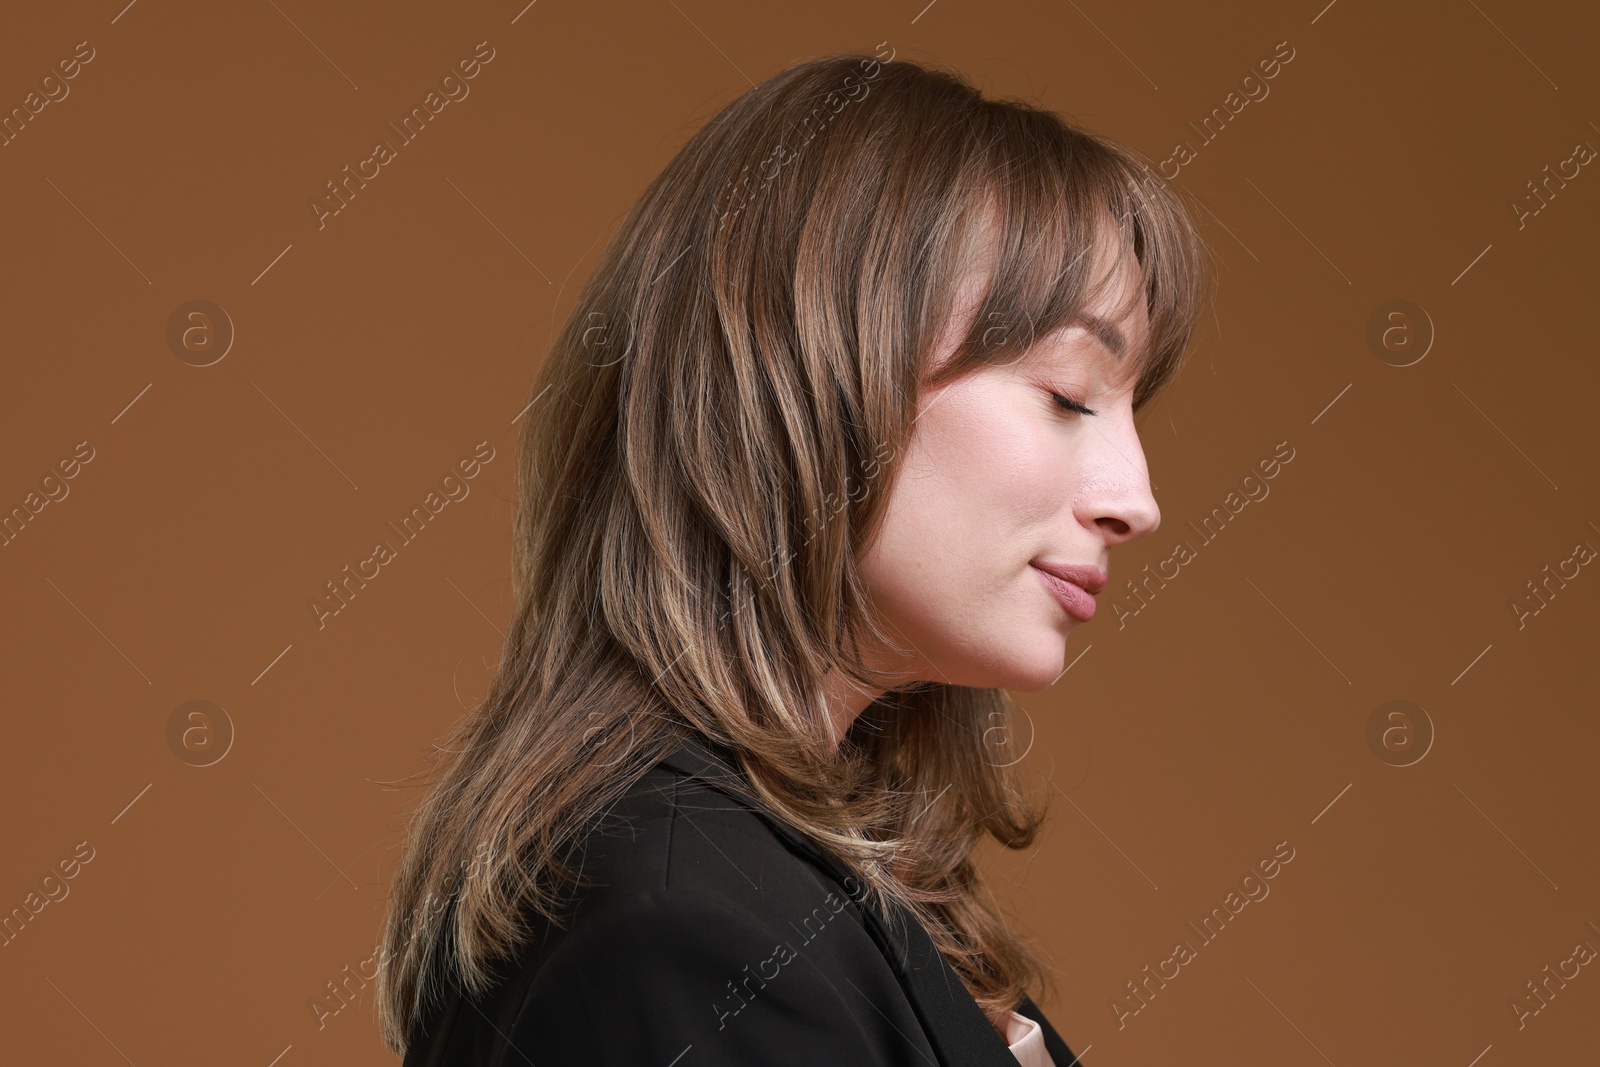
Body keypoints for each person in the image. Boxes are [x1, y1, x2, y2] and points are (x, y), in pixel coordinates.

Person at [376, 47, 1213, 1067]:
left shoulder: (790, 891)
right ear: (815, 380)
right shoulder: (691, 937)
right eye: (1069, 394)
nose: (1137, 501)